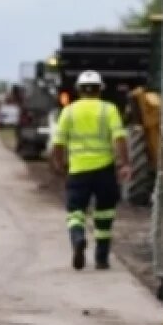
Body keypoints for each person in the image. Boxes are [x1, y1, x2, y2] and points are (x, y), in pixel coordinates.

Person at [50, 70, 131, 271]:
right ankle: (101, 259)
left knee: (75, 212)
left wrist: (59, 165)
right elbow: (119, 139)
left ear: (79, 90)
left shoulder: (69, 111)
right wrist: (124, 163)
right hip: (104, 171)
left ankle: (78, 238)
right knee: (104, 215)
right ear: (100, 89)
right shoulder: (108, 109)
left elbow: (58, 143)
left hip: (78, 171)